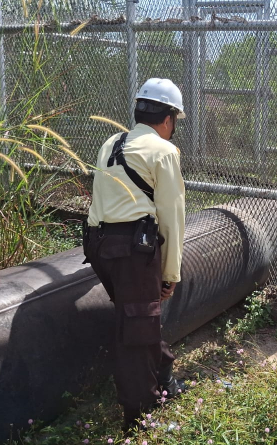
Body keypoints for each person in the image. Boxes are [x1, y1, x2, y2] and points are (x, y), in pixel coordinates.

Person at [83, 78, 186, 431]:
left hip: (99, 246)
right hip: (133, 252)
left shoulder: (111, 141)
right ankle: (139, 416)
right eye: (176, 122)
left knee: (135, 318)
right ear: (169, 118)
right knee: (137, 331)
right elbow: (172, 217)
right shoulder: (163, 151)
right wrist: (171, 272)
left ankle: (164, 381)